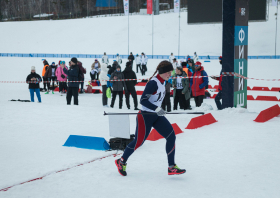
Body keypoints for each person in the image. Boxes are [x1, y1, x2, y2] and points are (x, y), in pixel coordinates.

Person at [115, 60, 186, 176]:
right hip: (145, 116)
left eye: (171, 72)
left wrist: (159, 109)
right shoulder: (154, 83)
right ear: (162, 72)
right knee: (138, 142)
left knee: (171, 136)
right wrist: (156, 108)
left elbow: (156, 99)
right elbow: (143, 100)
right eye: (168, 72)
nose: (170, 74)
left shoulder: (163, 82)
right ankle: (121, 161)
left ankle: (171, 167)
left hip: (156, 115)